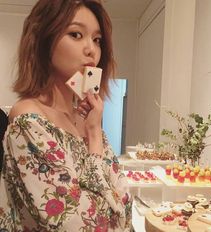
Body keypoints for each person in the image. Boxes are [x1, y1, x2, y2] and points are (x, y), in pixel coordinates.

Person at [0, 0, 132, 231]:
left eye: (97, 39)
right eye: (76, 34)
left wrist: (93, 131)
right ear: (44, 40)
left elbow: (124, 205)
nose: (91, 49)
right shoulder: (29, 120)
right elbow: (80, 224)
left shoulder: (84, 119)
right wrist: (93, 134)